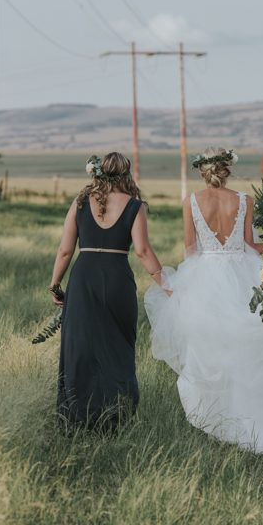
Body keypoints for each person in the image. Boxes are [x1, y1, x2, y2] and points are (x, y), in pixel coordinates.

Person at [145, 148, 263, 453]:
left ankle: (218, 420)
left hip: (204, 276)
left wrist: (189, 283)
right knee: (247, 346)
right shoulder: (244, 200)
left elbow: (190, 250)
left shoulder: (191, 202)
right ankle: (250, 417)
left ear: (202, 172)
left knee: (209, 348)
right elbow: (250, 247)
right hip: (241, 275)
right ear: (227, 171)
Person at [50, 152, 169, 430]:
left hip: (83, 278)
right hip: (117, 279)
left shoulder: (80, 203)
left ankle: (78, 415)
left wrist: (55, 284)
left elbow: (66, 250)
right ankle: (116, 416)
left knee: (79, 347)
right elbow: (142, 251)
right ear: (127, 175)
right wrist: (166, 285)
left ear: (99, 173)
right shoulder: (135, 206)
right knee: (119, 346)